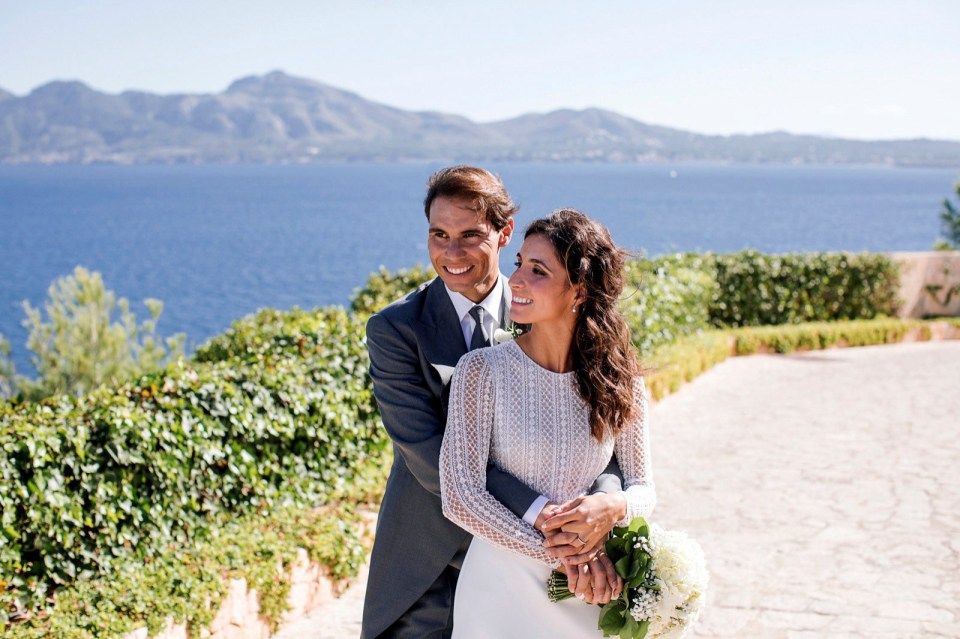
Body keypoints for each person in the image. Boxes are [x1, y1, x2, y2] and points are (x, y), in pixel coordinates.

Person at [361, 168, 627, 639]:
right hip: (432, 563)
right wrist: (548, 523)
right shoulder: (396, 330)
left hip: (539, 566)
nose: (451, 252)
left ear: (504, 234)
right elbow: (432, 459)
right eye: (439, 235)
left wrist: (604, 504)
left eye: (470, 235)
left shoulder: (546, 305)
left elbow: (600, 429)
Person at [439, 208, 656, 637]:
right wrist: (568, 556)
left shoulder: (621, 380)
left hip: (585, 593)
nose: (515, 279)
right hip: (502, 589)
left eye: (537, 270)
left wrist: (615, 507)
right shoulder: (480, 371)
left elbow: (644, 488)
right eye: (518, 262)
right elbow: (460, 495)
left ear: (578, 290)